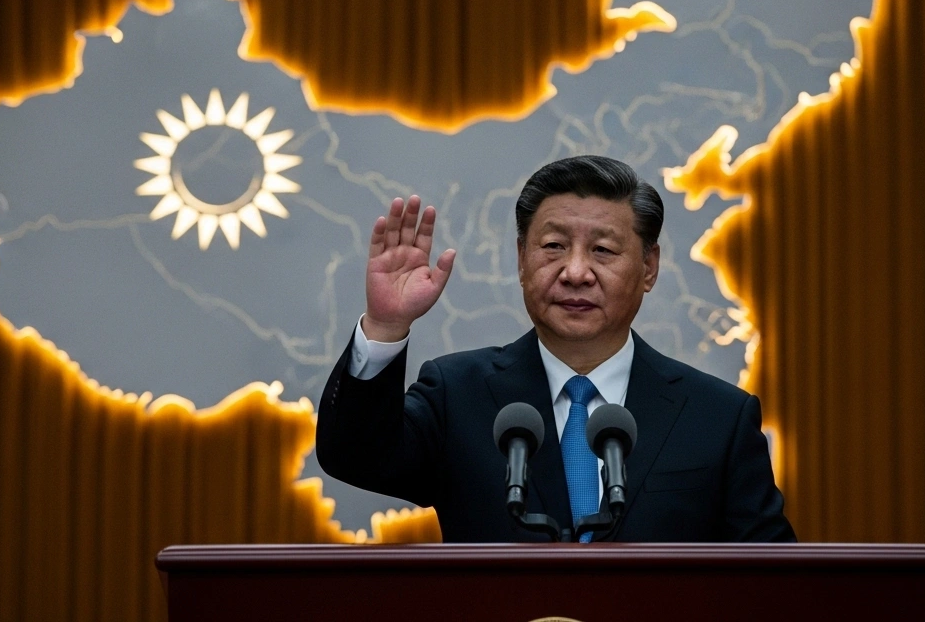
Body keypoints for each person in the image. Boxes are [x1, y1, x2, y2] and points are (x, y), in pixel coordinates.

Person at [316, 155, 794, 542]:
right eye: (553, 246)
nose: (576, 272)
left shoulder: (717, 418)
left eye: (603, 250)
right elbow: (356, 458)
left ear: (649, 267)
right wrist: (386, 325)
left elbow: (772, 584)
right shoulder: (457, 394)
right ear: (521, 259)